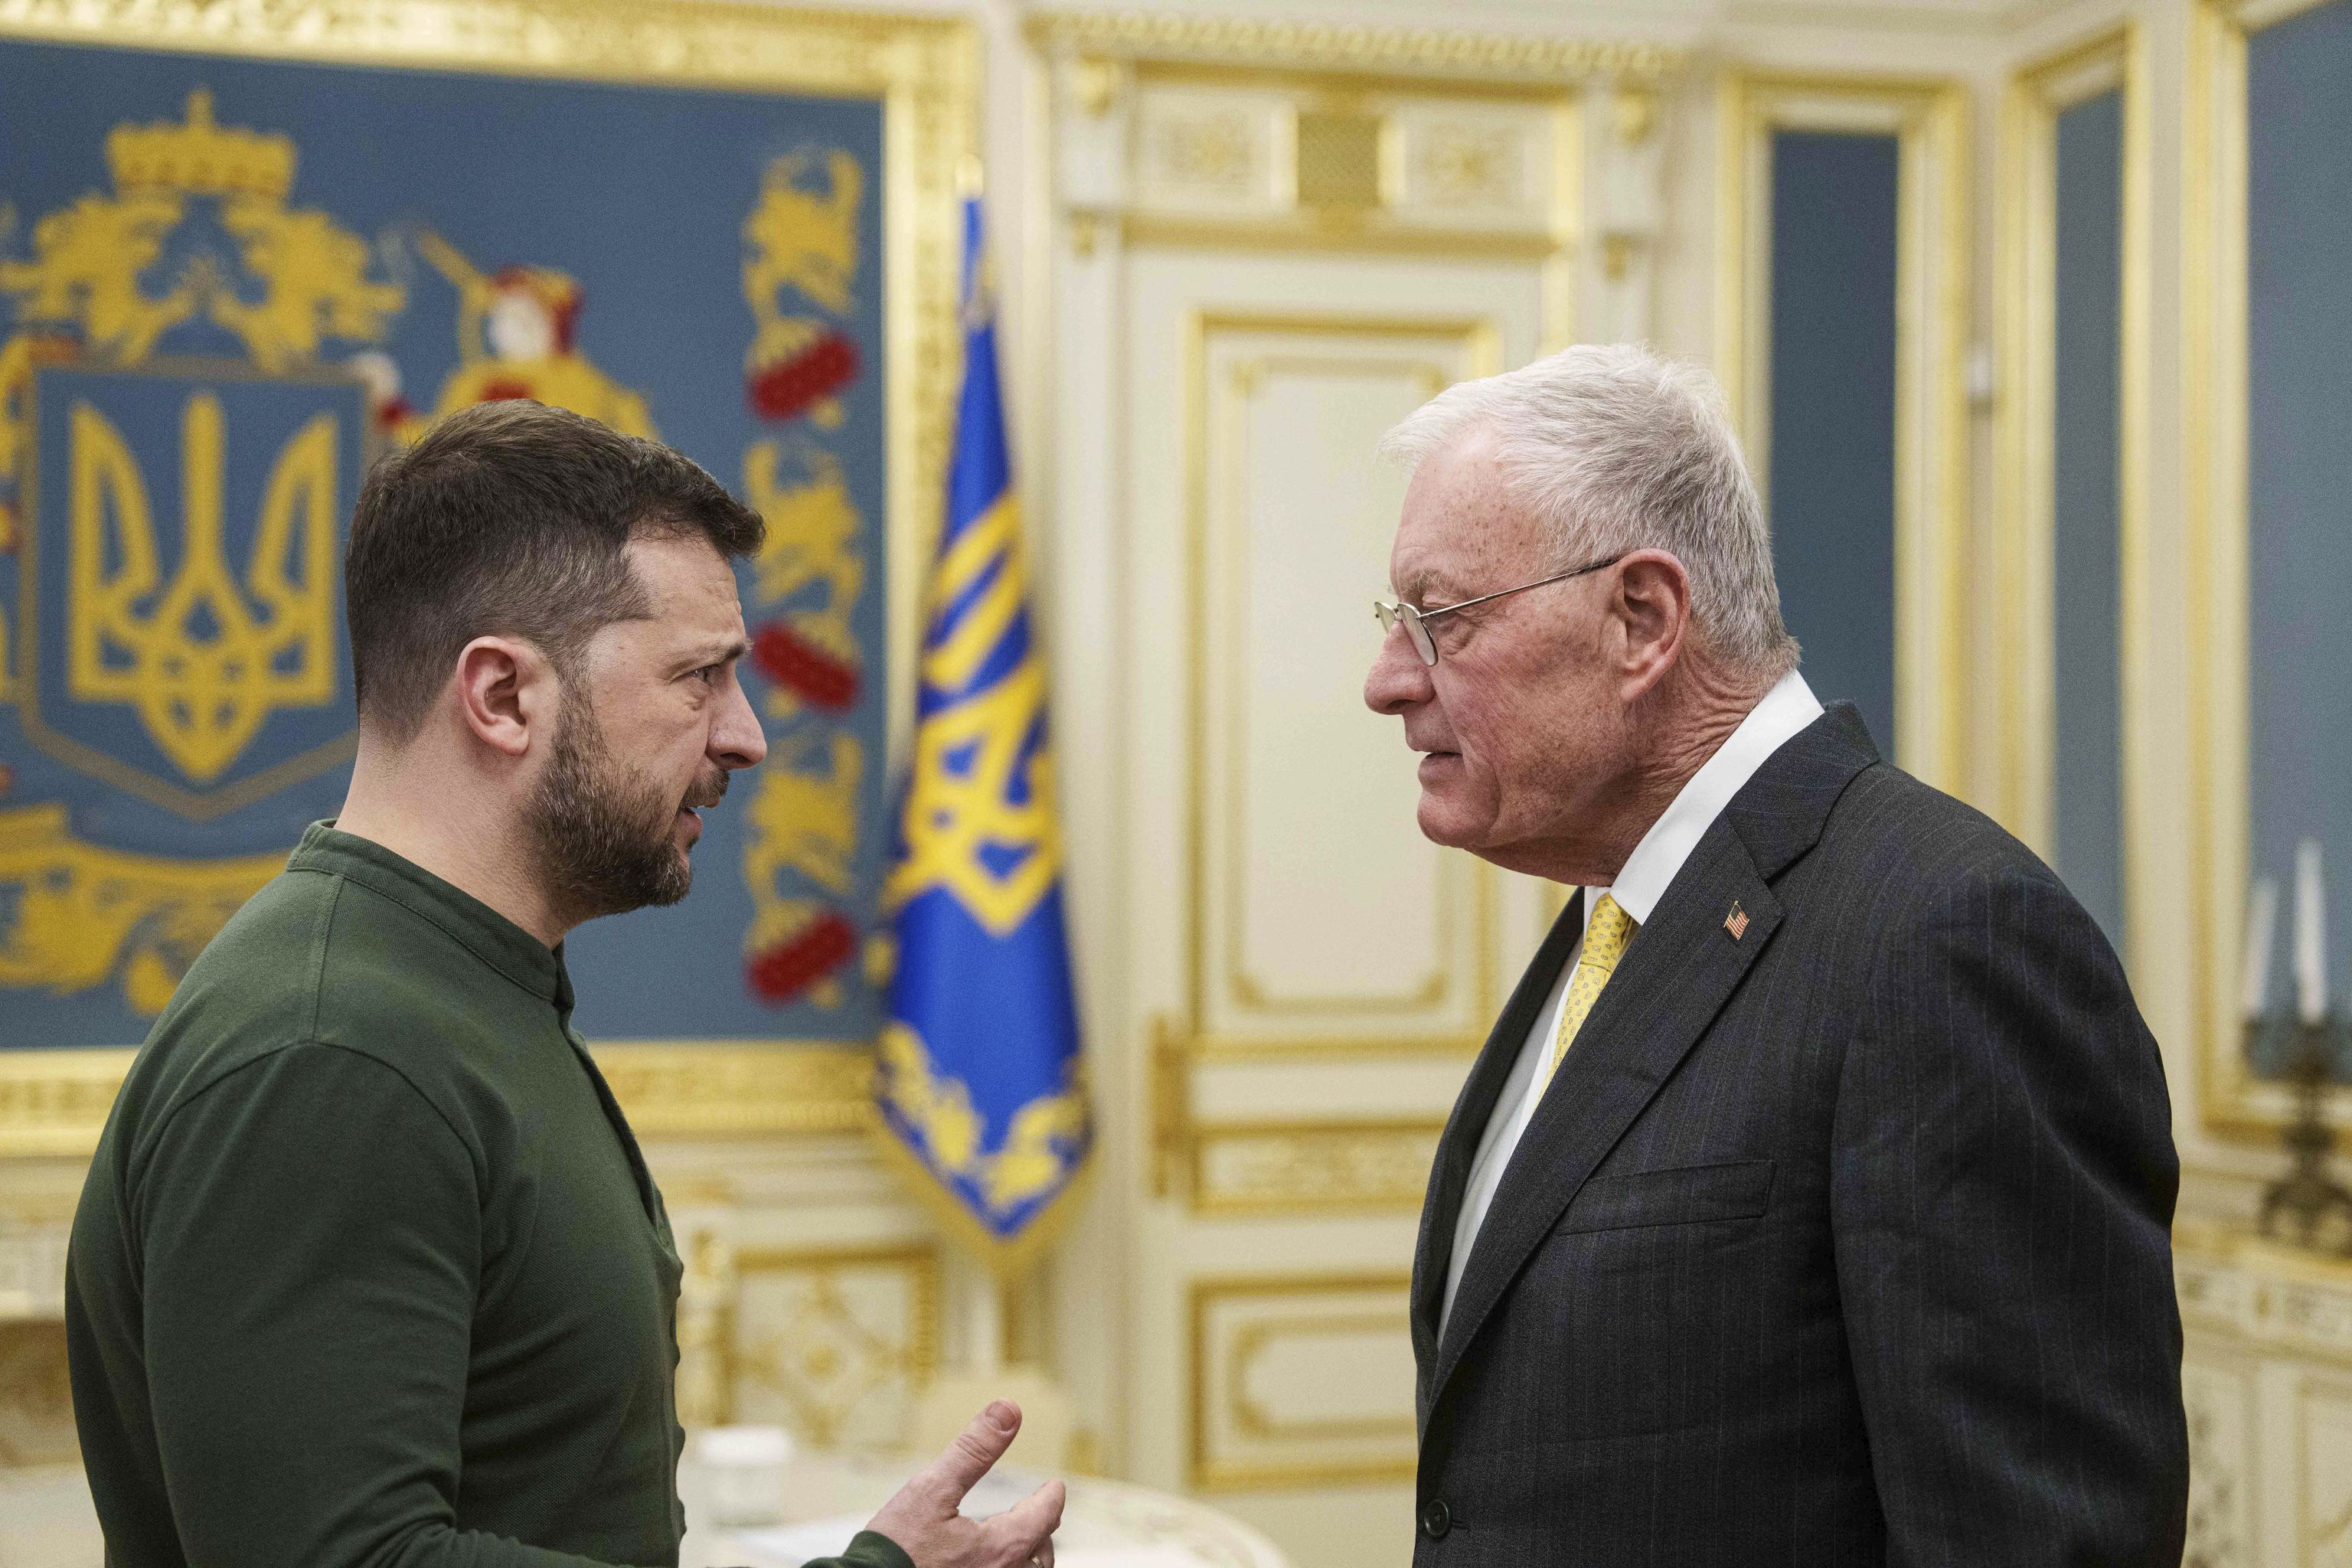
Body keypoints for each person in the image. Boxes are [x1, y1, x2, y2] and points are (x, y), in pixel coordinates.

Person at [66, 400, 1063, 1568]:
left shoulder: (449, 986)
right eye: (700, 677)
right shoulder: (333, 1049)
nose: (746, 736)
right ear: (501, 696)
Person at [1364, 345, 2186, 1565]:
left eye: (1441, 621)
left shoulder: (1944, 938)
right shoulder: (1617, 913)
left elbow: (2039, 1539)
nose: (1389, 681)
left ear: (1641, 619)